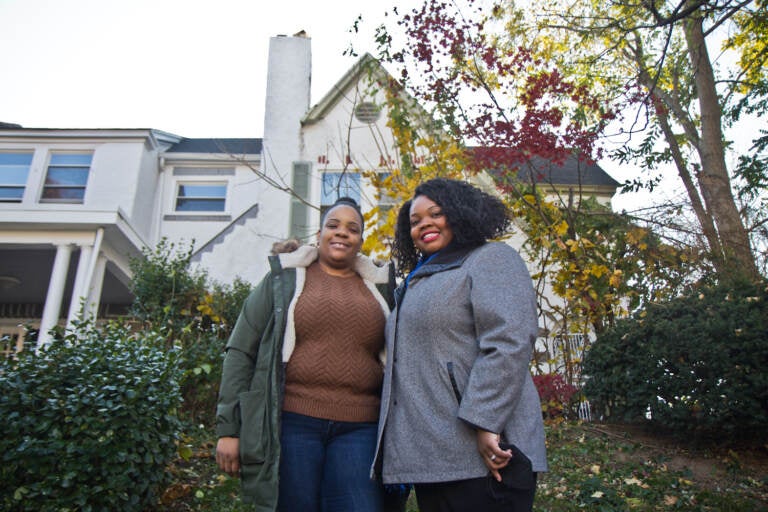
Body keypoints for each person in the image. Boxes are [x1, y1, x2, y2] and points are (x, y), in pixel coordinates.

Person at [373, 178, 547, 512]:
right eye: (415, 220)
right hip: (436, 458)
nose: (424, 223)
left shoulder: (490, 259)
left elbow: (508, 342)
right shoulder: (421, 280)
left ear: (459, 213)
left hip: (488, 453)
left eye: (435, 213)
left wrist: (486, 421)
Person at [216, 197, 396, 512]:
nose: (342, 233)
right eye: (333, 225)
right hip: (294, 423)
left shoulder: (381, 289)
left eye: (352, 229)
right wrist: (229, 430)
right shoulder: (282, 280)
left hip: (361, 427)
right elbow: (241, 351)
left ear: (360, 242)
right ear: (319, 233)